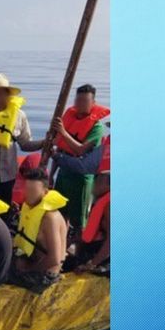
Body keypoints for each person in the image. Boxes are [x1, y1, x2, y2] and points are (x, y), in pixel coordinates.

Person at [0, 73, 44, 204]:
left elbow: (25, 144)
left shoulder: (19, 115)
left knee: (4, 203)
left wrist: (43, 142)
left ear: (8, 95)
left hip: (7, 170)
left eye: (1, 93)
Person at [50, 84, 110, 231]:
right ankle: (61, 244)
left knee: (79, 219)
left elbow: (81, 150)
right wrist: (51, 174)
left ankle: (79, 248)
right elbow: (60, 149)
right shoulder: (68, 120)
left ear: (93, 103)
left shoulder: (97, 128)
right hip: (63, 173)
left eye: (85, 101)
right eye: (78, 100)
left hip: (81, 178)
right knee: (60, 211)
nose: (80, 104)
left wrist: (63, 132)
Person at [9, 168, 68, 293]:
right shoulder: (30, 207)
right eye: (27, 190)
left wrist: (28, 269)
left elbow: (54, 259)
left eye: (33, 191)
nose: (28, 195)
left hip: (45, 275)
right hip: (32, 262)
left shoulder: (49, 218)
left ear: (46, 192)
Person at [65, 148, 110, 275]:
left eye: (97, 178)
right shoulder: (99, 201)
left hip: (100, 261)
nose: (93, 182)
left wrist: (91, 264)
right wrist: (72, 240)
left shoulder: (109, 205)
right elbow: (92, 233)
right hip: (89, 252)